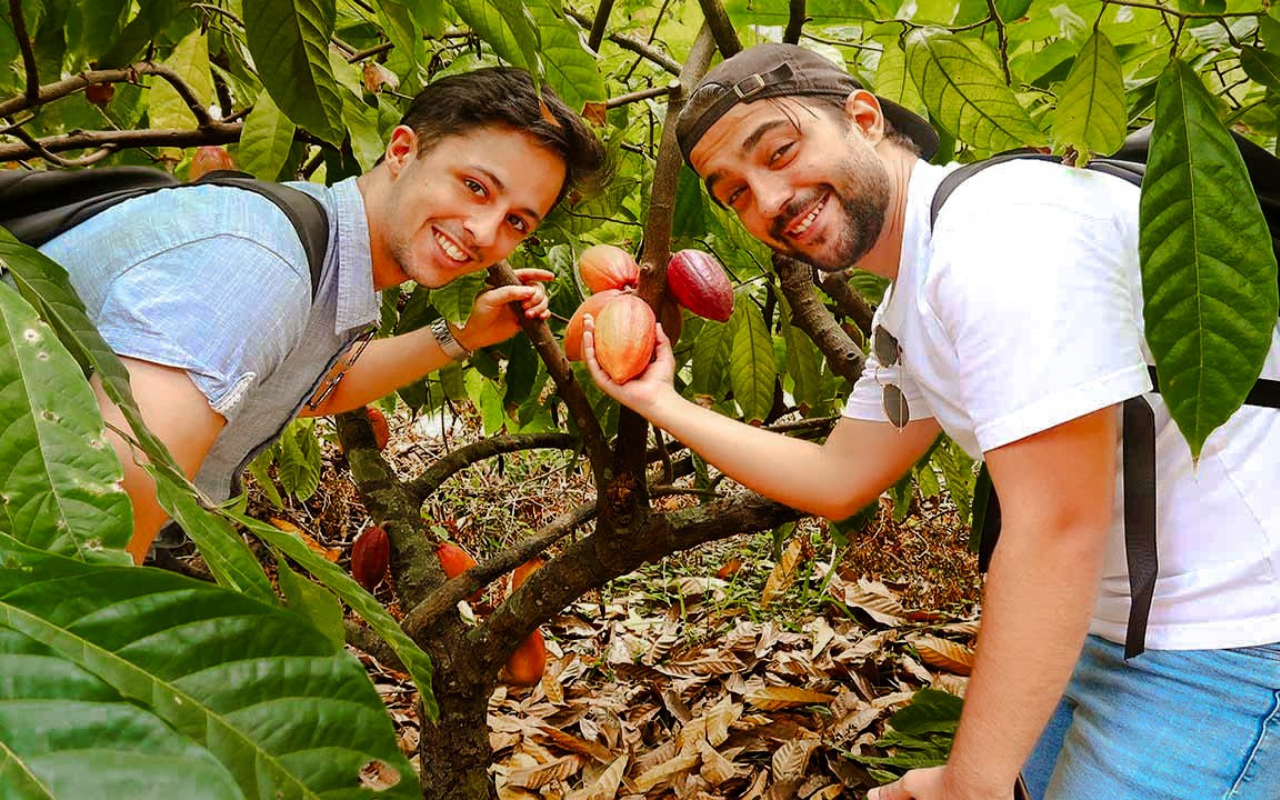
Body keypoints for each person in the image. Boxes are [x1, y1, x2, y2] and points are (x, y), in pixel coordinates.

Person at [582, 43, 1280, 799]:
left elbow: (1054, 528)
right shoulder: (916, 291)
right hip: (1112, 629)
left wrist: (967, 785)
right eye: (736, 194)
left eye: (780, 151)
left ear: (864, 117)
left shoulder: (998, 237)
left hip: (1232, 637)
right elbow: (837, 477)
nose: (769, 199)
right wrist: (661, 401)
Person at [40, 67, 606, 565]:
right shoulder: (263, 265)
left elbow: (308, 388)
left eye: (516, 223)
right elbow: (112, 491)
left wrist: (460, 336)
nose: (485, 232)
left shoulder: (322, 249)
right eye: (475, 187)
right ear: (403, 150)